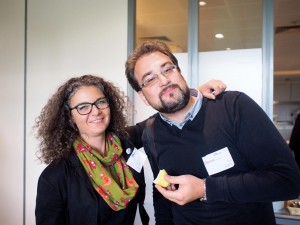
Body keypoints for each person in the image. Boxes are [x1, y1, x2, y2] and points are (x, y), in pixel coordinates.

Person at [125, 41, 300, 225]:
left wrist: (205, 188)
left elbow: (288, 181)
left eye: (168, 69)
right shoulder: (151, 133)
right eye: (150, 79)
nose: (164, 80)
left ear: (179, 72)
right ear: (143, 96)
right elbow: (163, 199)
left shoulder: (233, 107)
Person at [34, 74, 225, 225]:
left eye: (101, 102)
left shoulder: (124, 142)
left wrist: (191, 95)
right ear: (69, 118)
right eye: (83, 107)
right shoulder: (55, 177)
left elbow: (157, 119)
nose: (96, 111)